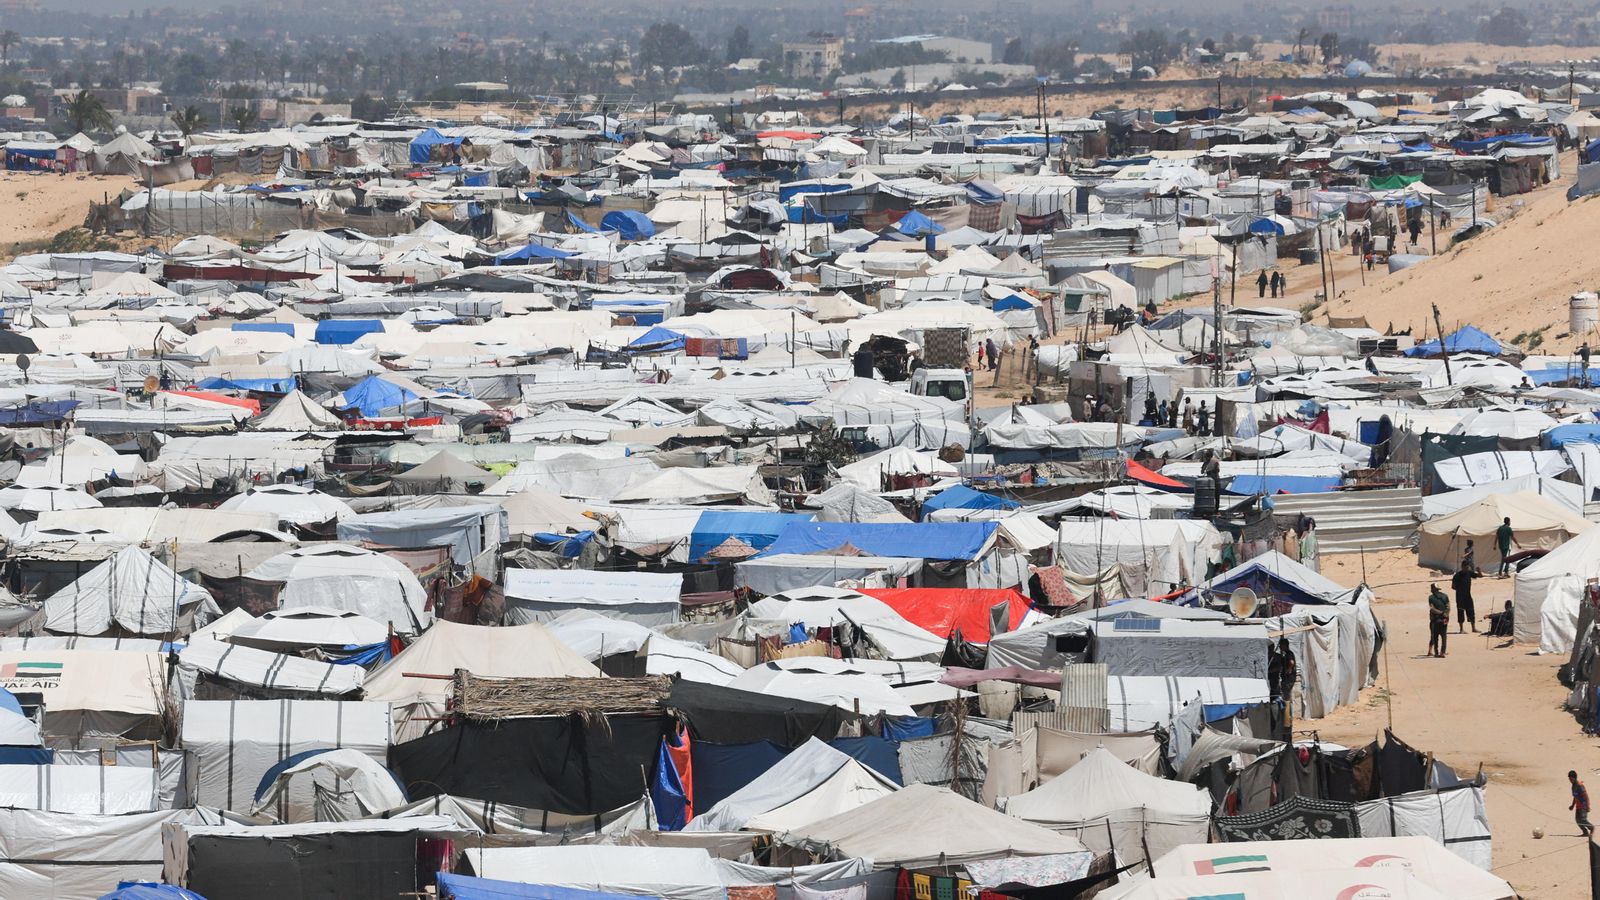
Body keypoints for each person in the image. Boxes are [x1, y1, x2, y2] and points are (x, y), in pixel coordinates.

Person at [1452, 564, 1478, 634]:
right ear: (1462, 567)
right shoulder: (1457, 575)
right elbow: (1453, 587)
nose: (1467, 569)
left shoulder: (1469, 573)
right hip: (1460, 597)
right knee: (1460, 613)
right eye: (1466, 568)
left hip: (1468, 596)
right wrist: (1460, 588)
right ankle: (1461, 629)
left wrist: (1479, 571)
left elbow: (1477, 576)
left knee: (1471, 612)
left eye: (1468, 567)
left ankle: (1473, 628)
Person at [1427, 583, 1450, 658]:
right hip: (1444, 619)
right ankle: (1442, 652)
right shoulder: (1445, 596)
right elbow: (1448, 607)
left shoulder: (1431, 597)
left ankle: (1436, 652)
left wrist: (1441, 613)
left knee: (1434, 636)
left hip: (1435, 619)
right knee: (1444, 636)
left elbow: (1432, 609)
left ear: (1433, 589)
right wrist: (1445, 615)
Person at [1572, 770, 1595, 838]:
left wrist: (1587, 806)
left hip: (1583, 804)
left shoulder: (1580, 785)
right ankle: (1585, 832)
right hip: (1578, 805)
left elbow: (1586, 796)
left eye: (1571, 779)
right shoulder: (1573, 786)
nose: (1570, 780)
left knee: (1583, 819)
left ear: (1574, 778)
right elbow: (1575, 796)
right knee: (1577, 820)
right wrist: (1572, 805)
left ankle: (1591, 827)